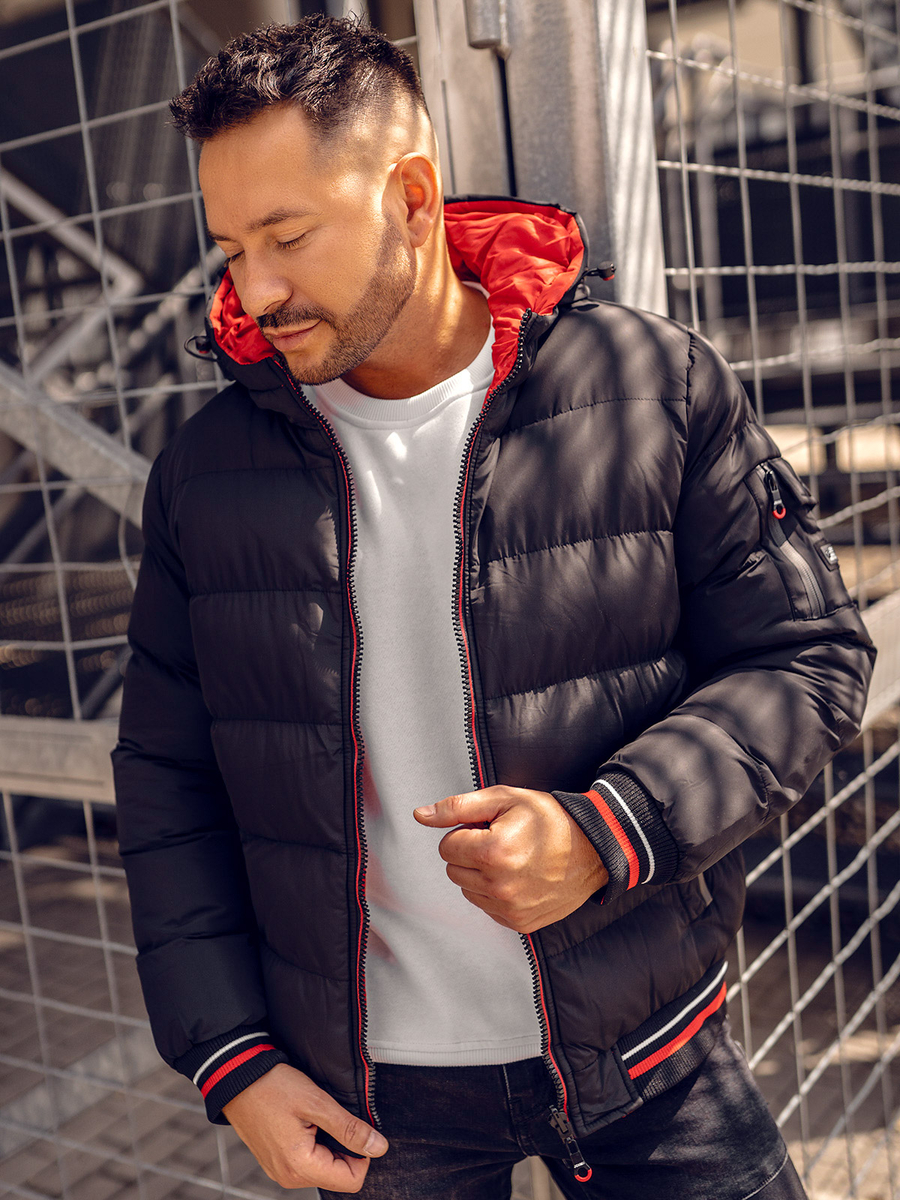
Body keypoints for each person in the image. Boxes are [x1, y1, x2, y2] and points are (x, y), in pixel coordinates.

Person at [112, 16, 874, 1199]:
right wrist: (233, 1059)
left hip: (648, 1055)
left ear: (413, 199)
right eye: (230, 246)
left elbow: (808, 660)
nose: (253, 289)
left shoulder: (649, 387)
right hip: (371, 1104)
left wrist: (608, 830)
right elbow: (167, 779)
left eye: (288, 236)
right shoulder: (205, 475)